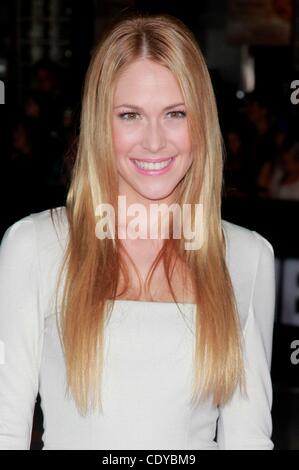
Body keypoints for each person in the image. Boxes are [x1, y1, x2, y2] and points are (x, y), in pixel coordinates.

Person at [0, 13, 276, 450]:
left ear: (201, 122)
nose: (153, 141)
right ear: (99, 124)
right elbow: (6, 430)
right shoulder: (35, 246)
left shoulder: (246, 255)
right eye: (130, 115)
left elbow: (249, 438)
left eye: (175, 114)